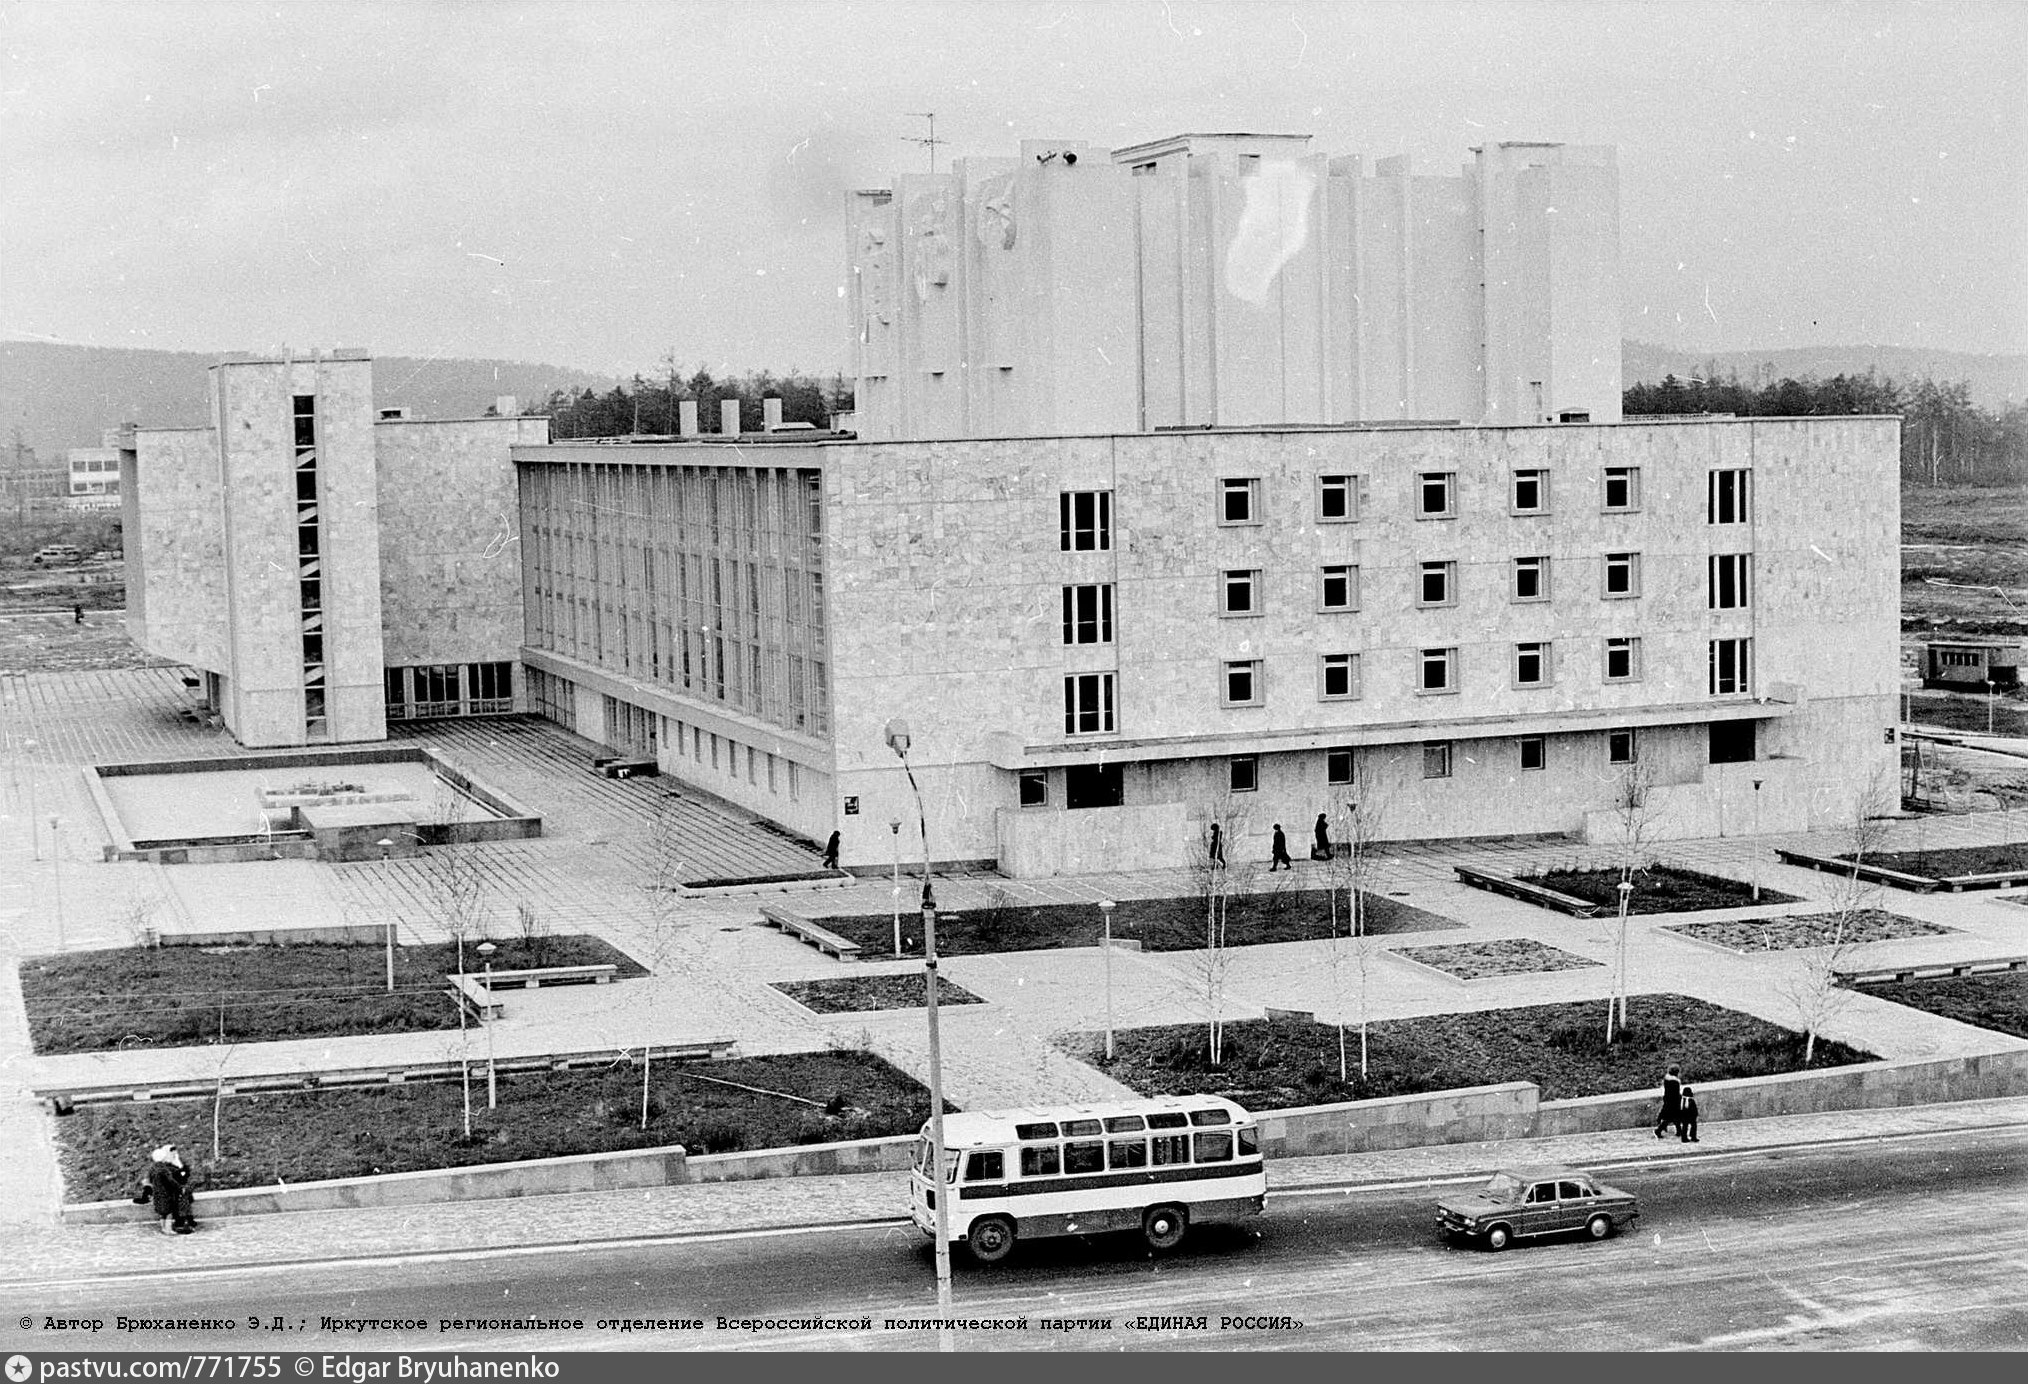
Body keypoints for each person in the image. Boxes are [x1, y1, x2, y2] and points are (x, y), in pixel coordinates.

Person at [1654, 1064, 1683, 1138]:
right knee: (1672, 1117)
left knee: (1674, 1117)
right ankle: (1659, 1130)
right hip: (1674, 1102)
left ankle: (1679, 1131)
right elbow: (1676, 1093)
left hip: (1668, 1099)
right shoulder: (1675, 1082)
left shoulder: (1667, 1079)